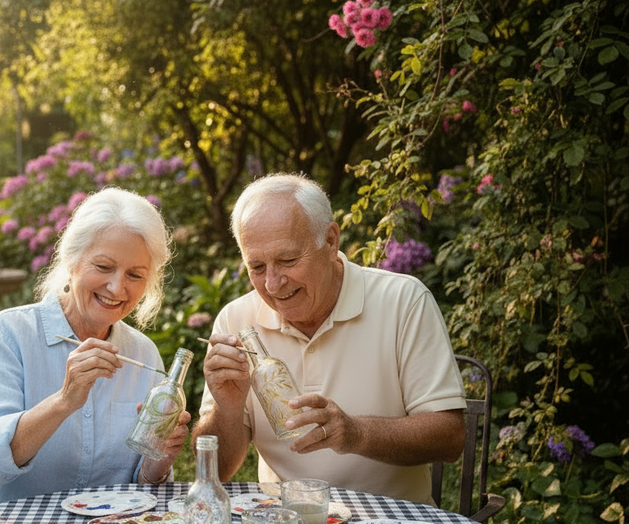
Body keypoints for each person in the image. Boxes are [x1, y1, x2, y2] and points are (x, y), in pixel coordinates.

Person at [193, 173, 466, 505]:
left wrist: (355, 433)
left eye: (287, 260)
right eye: (257, 267)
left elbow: (449, 438)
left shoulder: (404, 301)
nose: (273, 283)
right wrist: (228, 408)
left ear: (331, 240)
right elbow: (215, 472)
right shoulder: (236, 321)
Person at [0, 187, 190, 517]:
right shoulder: (9, 334)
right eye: (103, 267)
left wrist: (158, 460)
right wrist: (64, 401)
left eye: (135, 275)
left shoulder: (143, 355)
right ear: (71, 260)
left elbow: (140, 488)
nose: (118, 288)